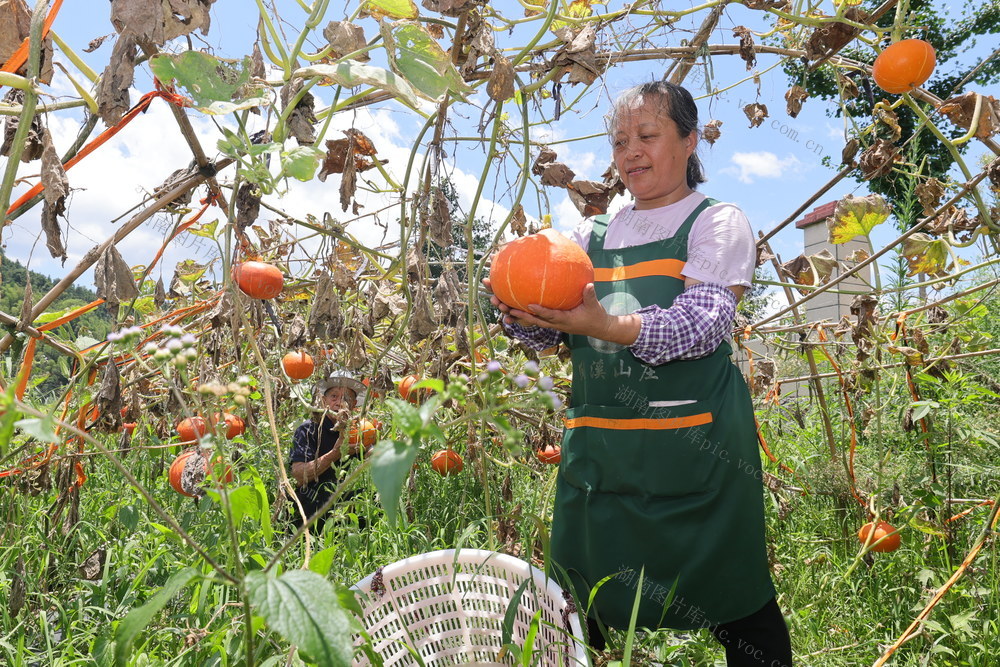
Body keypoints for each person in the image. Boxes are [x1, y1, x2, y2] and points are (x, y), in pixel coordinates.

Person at [485, 81, 792, 666]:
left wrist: (606, 324)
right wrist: (522, 313)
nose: (631, 152)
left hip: (694, 448)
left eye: (647, 135)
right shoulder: (588, 236)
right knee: (579, 604)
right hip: (599, 454)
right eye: (621, 140)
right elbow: (554, 333)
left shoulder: (716, 221)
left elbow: (703, 324)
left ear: (689, 139)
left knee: (738, 605)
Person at [288, 370, 371, 532]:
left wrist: (374, 441)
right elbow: (299, 474)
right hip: (309, 499)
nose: (340, 402)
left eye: (347, 398)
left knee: (373, 500)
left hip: (336, 497)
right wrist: (335, 453)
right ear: (324, 401)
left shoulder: (355, 430)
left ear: (354, 404)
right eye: (334, 396)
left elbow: (371, 457)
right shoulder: (308, 429)